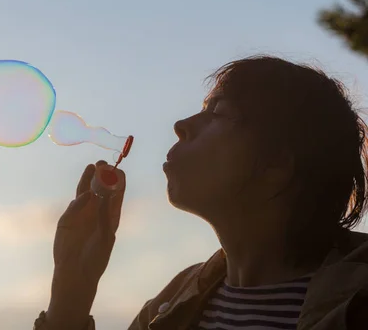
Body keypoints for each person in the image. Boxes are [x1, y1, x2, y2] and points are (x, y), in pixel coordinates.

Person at [33, 56, 368, 330]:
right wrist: (71, 291)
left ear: (275, 166)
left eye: (218, 112)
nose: (182, 124)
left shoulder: (356, 304)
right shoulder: (171, 305)